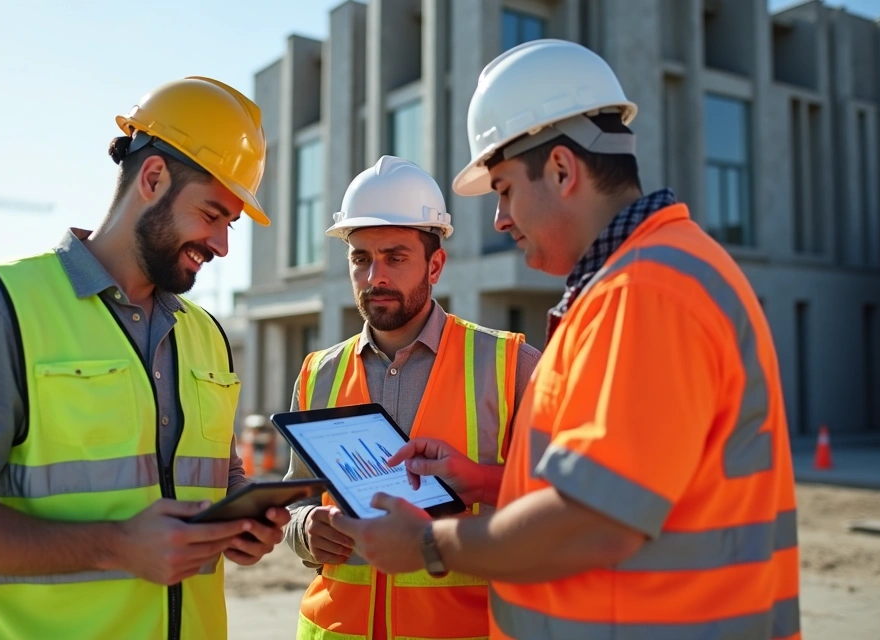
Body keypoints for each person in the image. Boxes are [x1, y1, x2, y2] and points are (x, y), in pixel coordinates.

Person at [326, 40, 802, 640]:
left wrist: (426, 543)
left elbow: (594, 523)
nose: (500, 219)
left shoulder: (645, 293)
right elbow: (629, 486)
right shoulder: (641, 280)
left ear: (561, 170)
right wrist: (487, 481)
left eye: (502, 189)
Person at [0, 76, 291, 639]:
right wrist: (115, 547)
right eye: (211, 214)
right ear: (153, 178)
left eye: (229, 223)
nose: (223, 245)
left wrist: (240, 522)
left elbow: (218, 479)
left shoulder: (206, 335)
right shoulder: (2, 310)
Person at [282, 156, 542, 640]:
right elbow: (295, 498)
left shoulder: (512, 365)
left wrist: (482, 481)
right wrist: (305, 530)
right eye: (360, 258)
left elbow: (559, 502)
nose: (374, 276)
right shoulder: (318, 373)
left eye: (395, 257)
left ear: (436, 264)